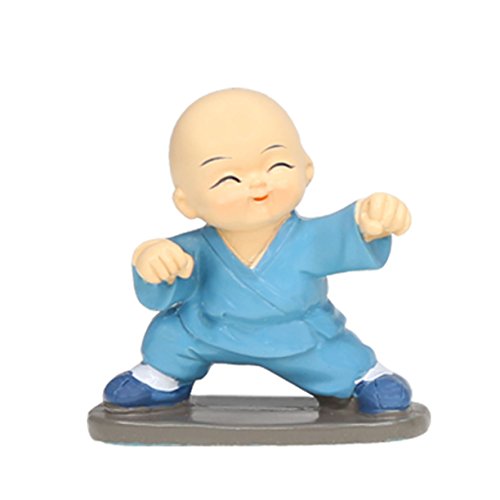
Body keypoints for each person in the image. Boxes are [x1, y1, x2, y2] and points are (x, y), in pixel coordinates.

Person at [103, 88, 412, 414]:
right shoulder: (196, 250)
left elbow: (343, 233)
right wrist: (152, 260)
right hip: (206, 331)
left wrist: (369, 221)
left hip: (296, 337)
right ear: (186, 202)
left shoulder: (309, 239)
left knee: (340, 359)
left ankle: (364, 377)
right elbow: (165, 284)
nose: (258, 184)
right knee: (169, 338)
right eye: (228, 179)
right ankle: (162, 377)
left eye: (277, 165)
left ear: (306, 168)